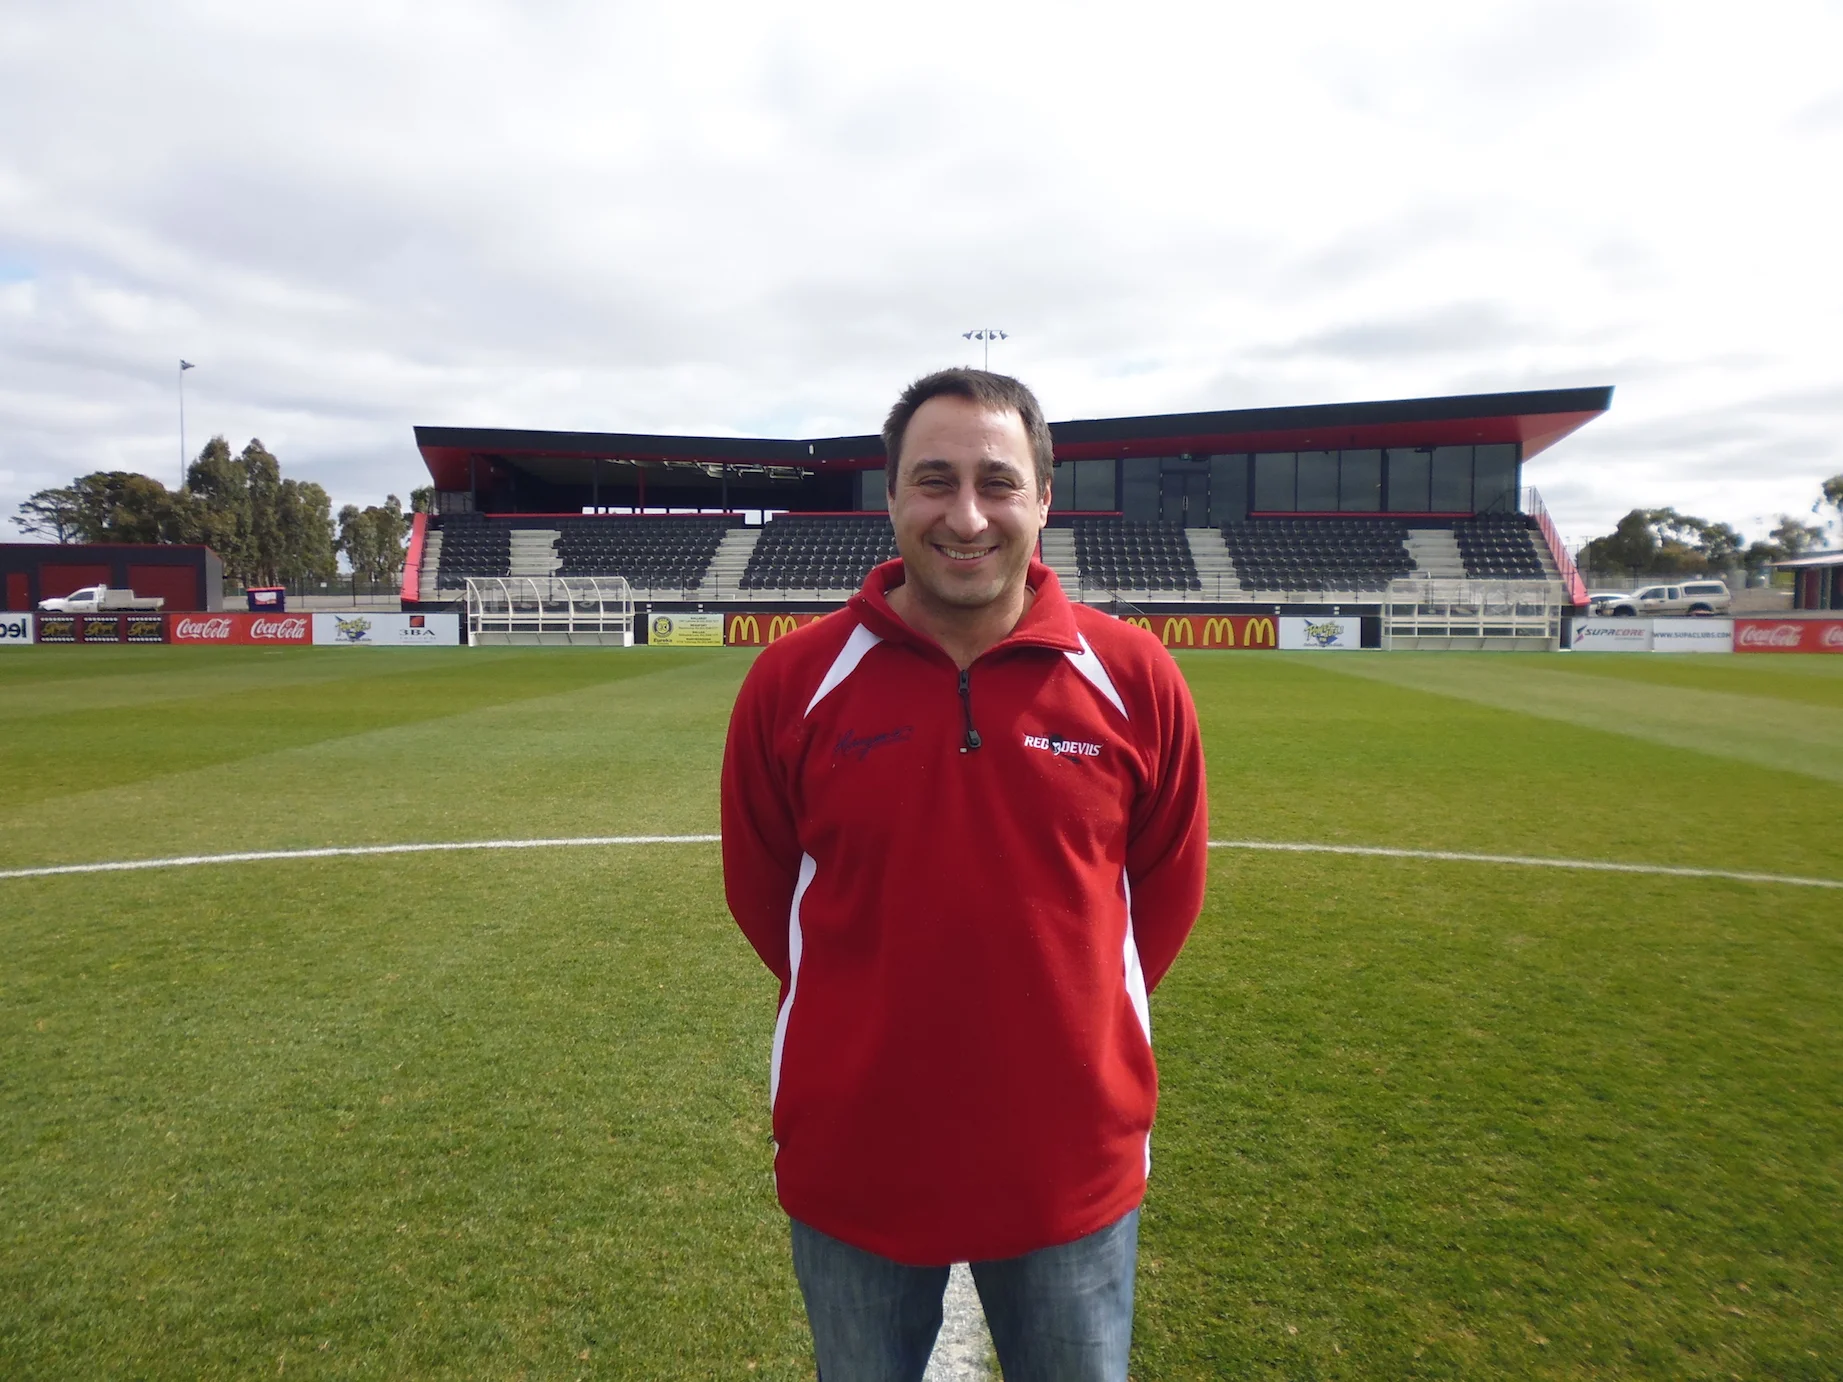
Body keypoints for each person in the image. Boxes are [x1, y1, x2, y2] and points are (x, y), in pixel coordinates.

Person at [721, 368, 1208, 1381]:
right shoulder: (794, 680)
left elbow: (1164, 891)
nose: (967, 513)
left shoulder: (1132, 675)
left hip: (1069, 1162)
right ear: (892, 496)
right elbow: (762, 893)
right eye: (934, 479)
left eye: (997, 480)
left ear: (1041, 498)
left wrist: (1060, 1012)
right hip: (857, 1154)